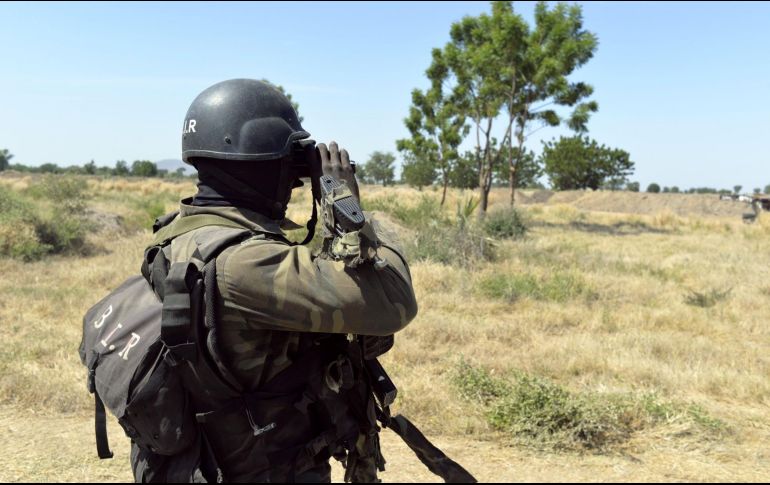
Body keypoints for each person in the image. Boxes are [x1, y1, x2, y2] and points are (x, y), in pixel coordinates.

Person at [132, 78, 418, 482]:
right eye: (287, 165)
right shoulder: (246, 262)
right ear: (256, 165)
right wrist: (349, 206)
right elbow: (392, 301)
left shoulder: (183, 234)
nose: (296, 180)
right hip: (266, 468)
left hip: (221, 458)